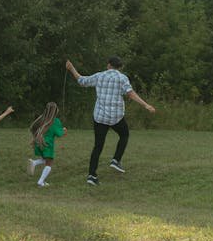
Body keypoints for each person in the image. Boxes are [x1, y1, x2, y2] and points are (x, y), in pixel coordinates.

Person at [65, 56, 155, 186]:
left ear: (108, 65)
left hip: (100, 117)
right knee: (124, 135)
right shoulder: (122, 78)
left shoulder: (100, 76)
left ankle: (91, 175)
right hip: (115, 117)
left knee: (98, 146)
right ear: (120, 67)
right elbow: (130, 94)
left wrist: (71, 68)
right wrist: (146, 105)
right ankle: (116, 160)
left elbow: (81, 80)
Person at [27, 102, 66, 187]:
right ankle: (40, 182)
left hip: (39, 143)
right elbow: (59, 134)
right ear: (55, 111)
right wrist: (64, 131)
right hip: (47, 145)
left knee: (45, 159)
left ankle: (34, 163)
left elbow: (33, 128)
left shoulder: (41, 119)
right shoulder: (55, 121)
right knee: (49, 163)